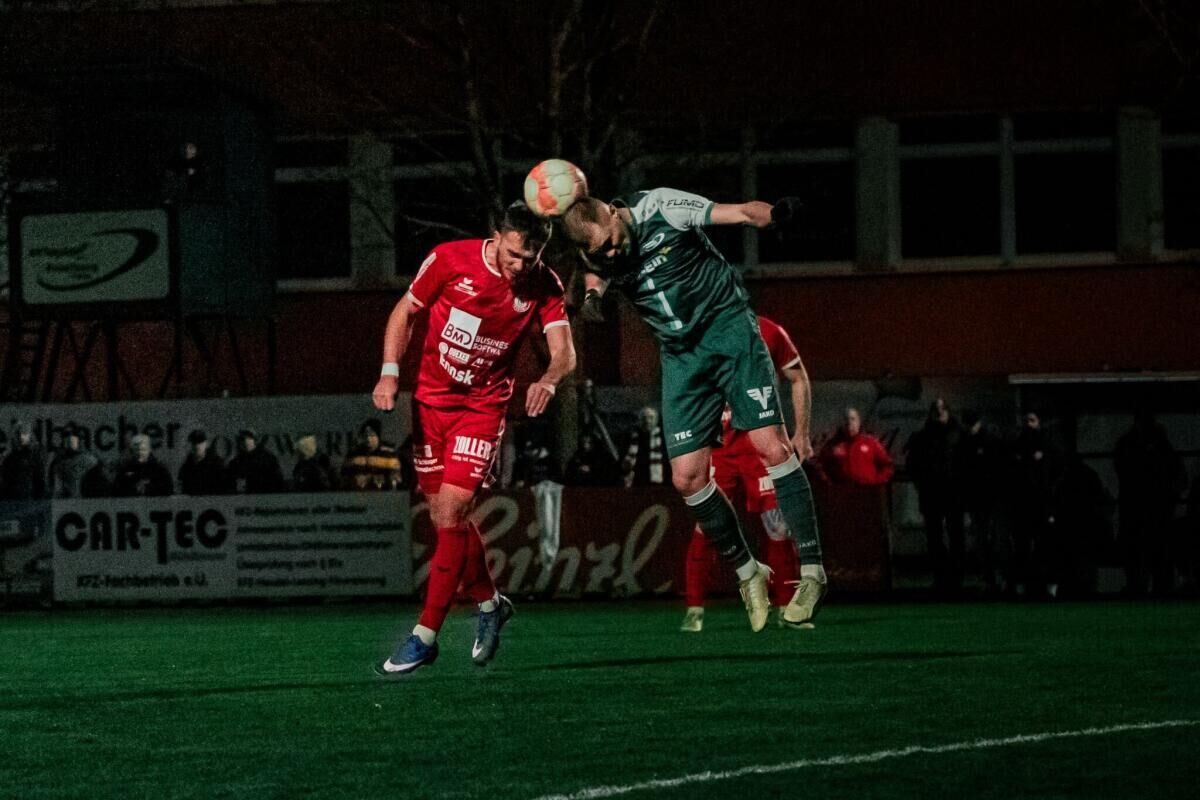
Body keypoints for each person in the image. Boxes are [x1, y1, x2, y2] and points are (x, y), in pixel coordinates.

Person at [561, 189, 825, 631]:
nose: (610, 252)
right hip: (681, 356)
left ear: (614, 212)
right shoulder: (600, 251)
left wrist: (773, 214)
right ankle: (749, 572)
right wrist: (591, 298)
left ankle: (813, 572)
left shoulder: (661, 207)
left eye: (610, 241)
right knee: (686, 478)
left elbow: (738, 212)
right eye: (599, 250)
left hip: (728, 331)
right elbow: (596, 271)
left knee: (772, 447)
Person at [372, 201, 575, 675]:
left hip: (482, 409)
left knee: (453, 510)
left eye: (530, 257)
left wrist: (548, 380)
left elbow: (565, 351)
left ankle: (425, 636)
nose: (520, 266)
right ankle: (490, 604)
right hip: (430, 405)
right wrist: (389, 371)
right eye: (513, 254)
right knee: (445, 519)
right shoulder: (449, 260)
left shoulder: (544, 284)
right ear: (496, 236)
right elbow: (405, 311)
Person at [680, 315, 814, 632]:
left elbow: (798, 377)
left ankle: (786, 608)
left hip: (759, 442)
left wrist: (802, 433)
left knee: (777, 525)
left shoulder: (769, 332)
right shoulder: (699, 332)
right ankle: (694, 609)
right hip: (719, 445)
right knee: (707, 525)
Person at [1114, 409, 1185, 595]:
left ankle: (1144, 587)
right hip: (1148, 510)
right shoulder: (1159, 446)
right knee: (1149, 554)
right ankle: (1151, 587)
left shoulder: (1132, 445)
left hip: (1143, 510)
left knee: (1145, 554)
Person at [905, 398, 964, 593]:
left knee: (956, 536)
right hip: (931, 494)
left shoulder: (958, 435)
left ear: (948, 411)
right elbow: (912, 465)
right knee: (935, 538)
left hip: (954, 493)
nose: (939, 413)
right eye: (936, 409)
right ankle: (940, 576)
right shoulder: (923, 437)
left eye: (942, 409)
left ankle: (957, 578)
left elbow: (968, 464)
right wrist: (922, 485)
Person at [954, 410, 1006, 594]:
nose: (970, 428)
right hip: (980, 499)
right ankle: (991, 579)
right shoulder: (967, 443)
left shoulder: (988, 441)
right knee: (984, 541)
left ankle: (999, 578)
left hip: (992, 497)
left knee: (997, 540)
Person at [816, 407, 893, 486]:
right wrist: (828, 484)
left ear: (858, 422)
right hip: (841, 491)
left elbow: (887, 466)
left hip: (867, 490)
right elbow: (820, 465)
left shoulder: (871, 443)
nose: (849, 422)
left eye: (853, 419)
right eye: (846, 419)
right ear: (841, 423)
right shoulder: (832, 445)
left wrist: (876, 482)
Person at [341, 419, 403, 491]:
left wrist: (371, 479)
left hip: (383, 495)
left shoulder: (389, 454)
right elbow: (343, 477)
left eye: (372, 435)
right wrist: (353, 480)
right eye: (365, 435)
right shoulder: (353, 454)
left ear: (378, 436)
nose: (368, 438)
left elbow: (396, 478)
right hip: (357, 495)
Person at [621, 406, 670, 488]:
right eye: (644, 418)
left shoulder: (663, 439)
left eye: (651, 417)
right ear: (640, 420)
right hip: (636, 482)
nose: (647, 421)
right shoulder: (631, 437)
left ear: (656, 420)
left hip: (659, 483)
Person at [227, 430, 285, 494]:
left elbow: (277, 481)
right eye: (240, 440)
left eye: (248, 439)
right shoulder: (236, 462)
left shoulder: (267, 459)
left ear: (255, 441)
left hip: (266, 495)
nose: (244, 442)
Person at [1, 422, 47, 500]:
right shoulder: (10, 459)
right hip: (16, 498)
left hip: (27, 498)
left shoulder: (34, 457)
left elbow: (39, 481)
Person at [49, 427, 98, 499]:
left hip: (85, 500)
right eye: (66, 438)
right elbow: (57, 489)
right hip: (65, 501)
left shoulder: (89, 460)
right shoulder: (58, 463)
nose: (69, 442)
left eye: (73, 439)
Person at [178, 429, 229, 496]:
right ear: (189, 445)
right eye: (194, 442)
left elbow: (223, 490)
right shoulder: (186, 467)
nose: (197, 445)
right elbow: (182, 490)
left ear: (206, 443)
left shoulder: (217, 465)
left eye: (200, 442)